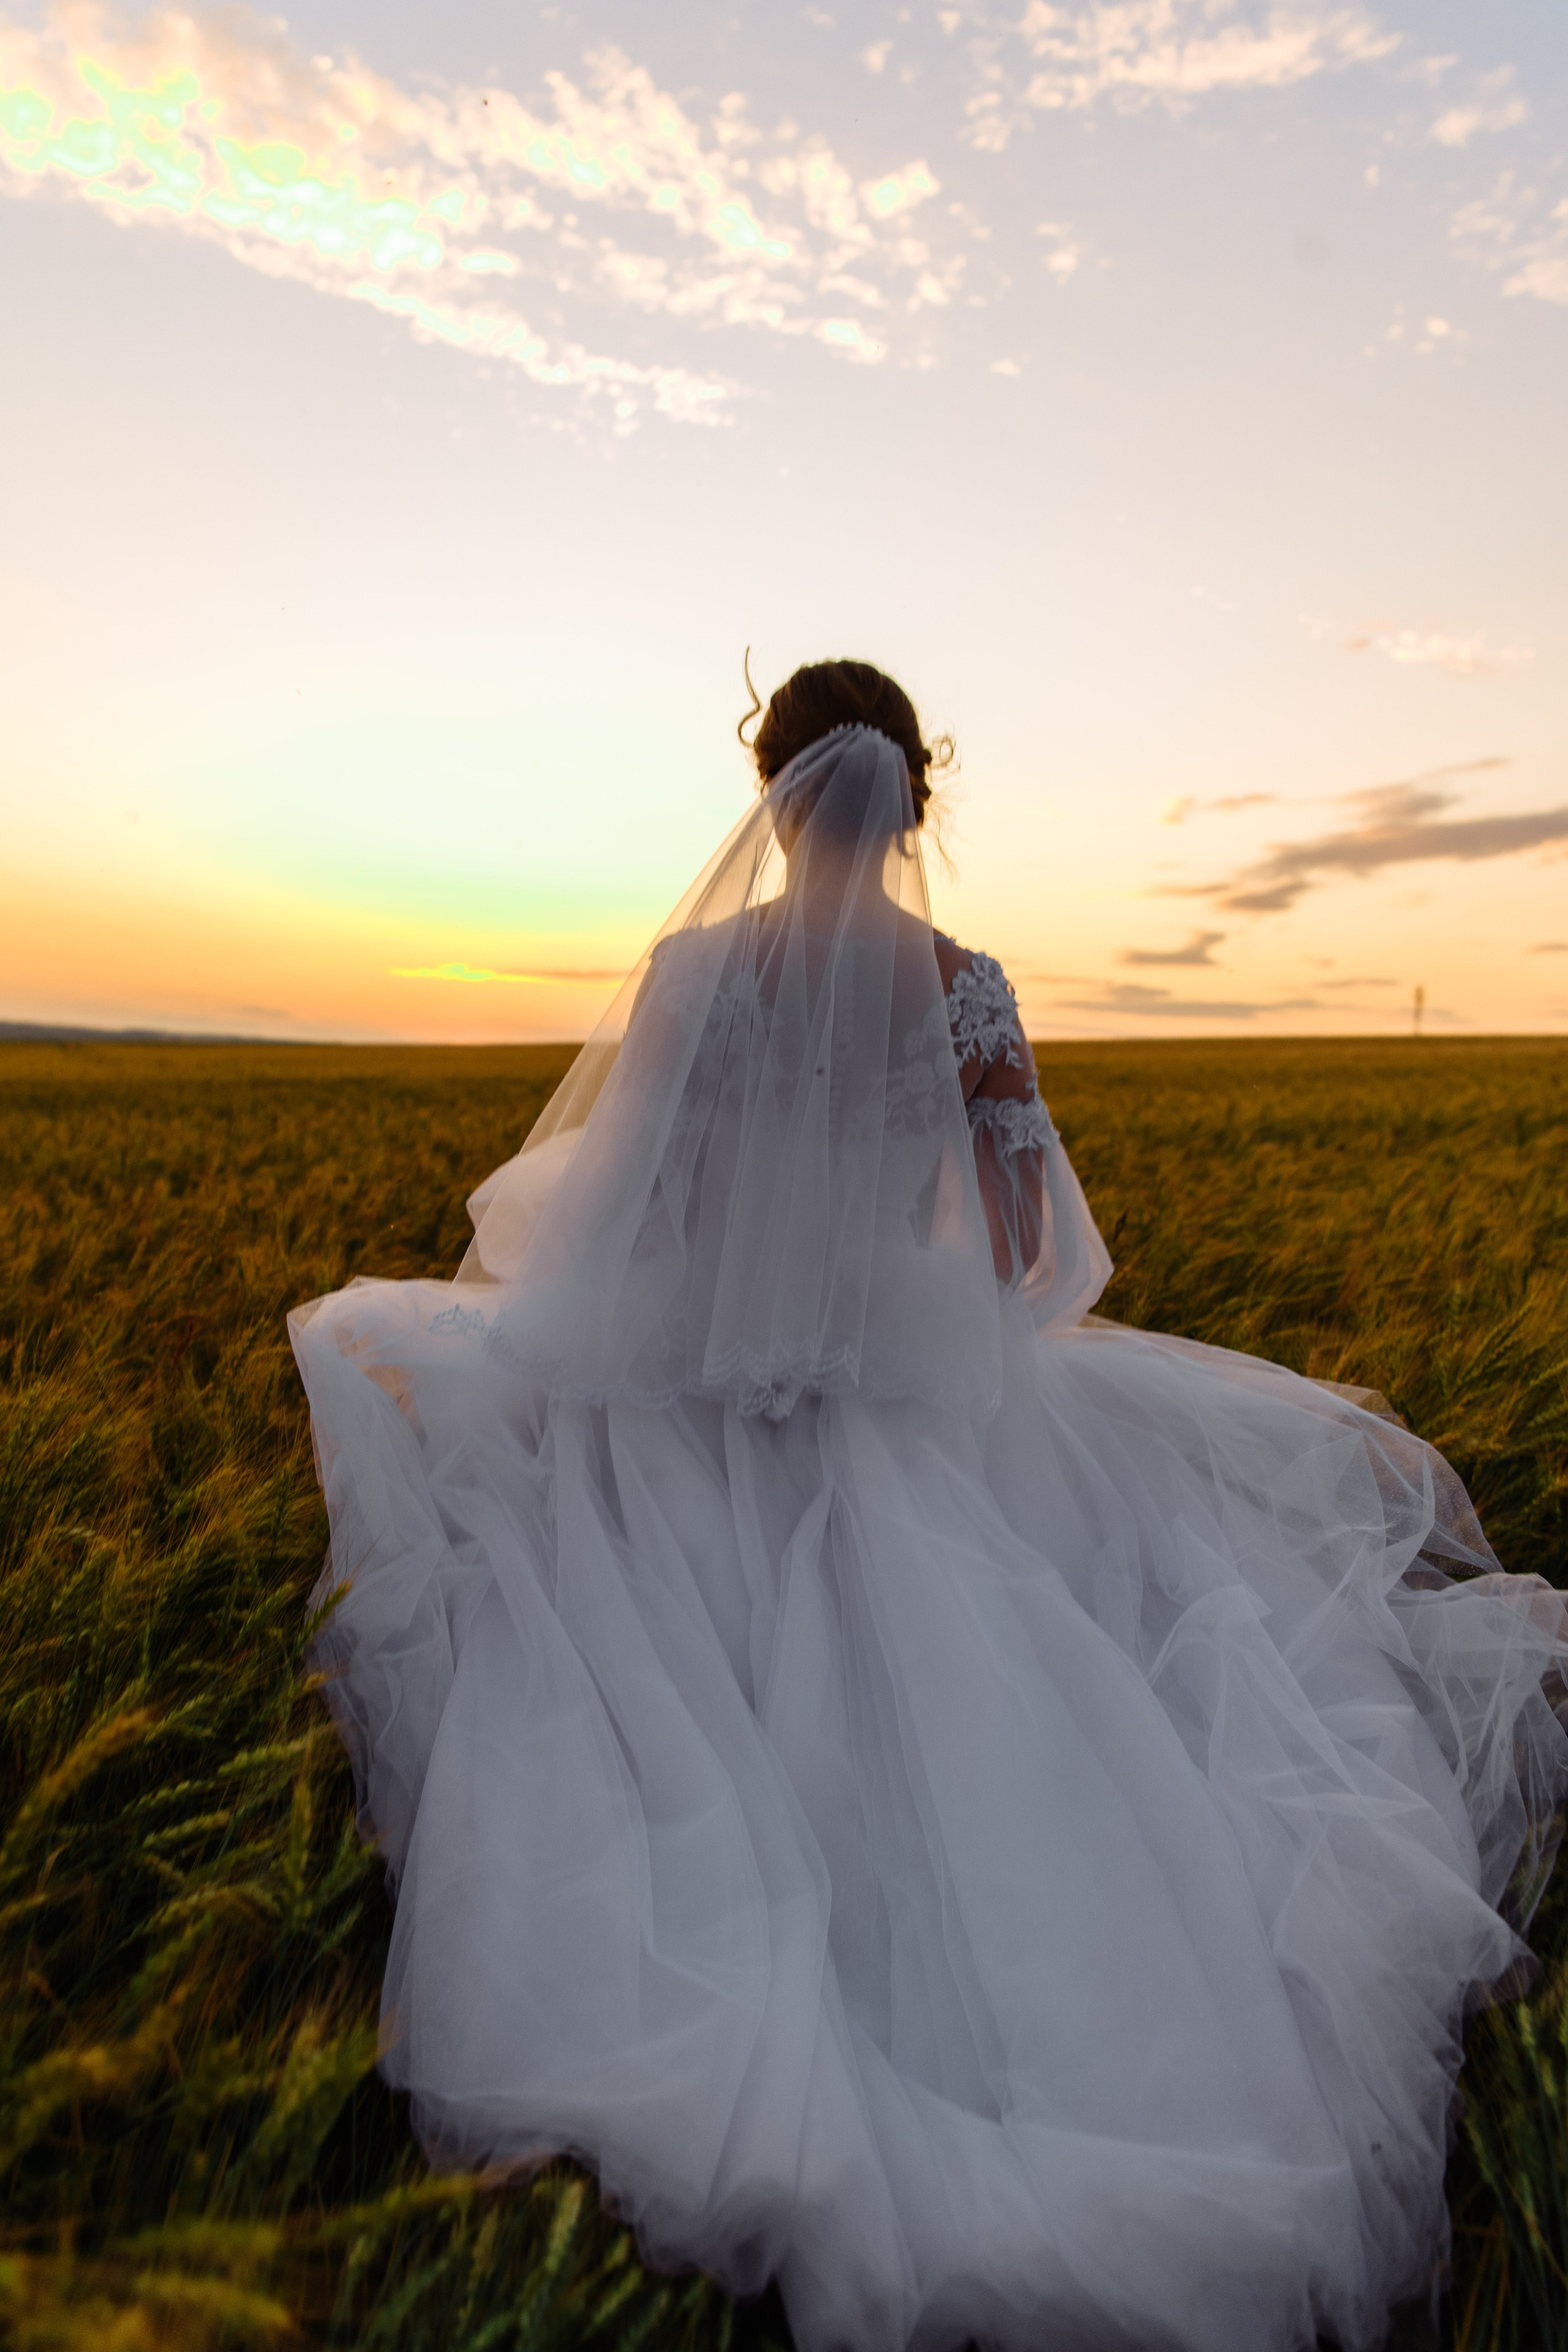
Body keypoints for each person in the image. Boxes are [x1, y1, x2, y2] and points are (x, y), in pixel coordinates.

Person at [291, 660, 1568, 2352]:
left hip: (693, 1385)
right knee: (1052, 1673)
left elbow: (635, 1200)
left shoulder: (691, 974)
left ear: (769, 784)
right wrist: (883, 1300)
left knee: (513, 1494)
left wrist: (724, 1319)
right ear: (919, 794)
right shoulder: (962, 981)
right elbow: (1032, 1247)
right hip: (901, 1380)